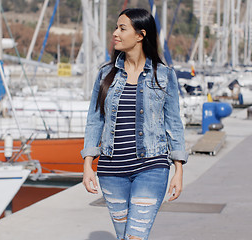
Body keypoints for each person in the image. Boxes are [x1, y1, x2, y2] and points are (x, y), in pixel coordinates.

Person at [80, 8, 187, 240]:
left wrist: (178, 170)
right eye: (116, 27)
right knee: (123, 236)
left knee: (135, 237)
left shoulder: (164, 75)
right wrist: (88, 163)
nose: (115, 33)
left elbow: (174, 124)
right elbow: (95, 120)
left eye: (122, 28)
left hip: (152, 167)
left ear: (140, 35)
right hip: (111, 171)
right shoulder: (105, 75)